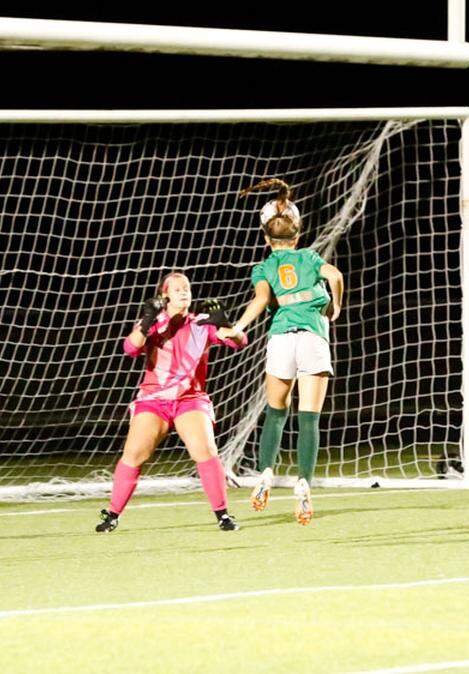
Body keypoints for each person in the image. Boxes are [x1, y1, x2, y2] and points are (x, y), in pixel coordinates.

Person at [218, 178, 344, 525]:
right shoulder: (309, 256)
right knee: (309, 419)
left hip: (281, 339)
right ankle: (303, 485)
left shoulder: (263, 267)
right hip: (312, 338)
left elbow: (260, 300)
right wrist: (335, 306)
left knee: (276, 412)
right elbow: (334, 275)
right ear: (298, 234)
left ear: (265, 238)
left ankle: (265, 474)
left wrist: (238, 328)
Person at [95, 271, 248, 533]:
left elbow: (239, 342)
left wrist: (226, 323)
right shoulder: (155, 322)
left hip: (190, 399)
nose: (183, 291)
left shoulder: (202, 323)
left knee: (205, 451)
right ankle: (112, 515)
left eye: (186, 287)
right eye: (176, 288)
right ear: (164, 295)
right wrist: (145, 321)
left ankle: (223, 515)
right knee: (134, 455)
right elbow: (130, 348)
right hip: (154, 400)